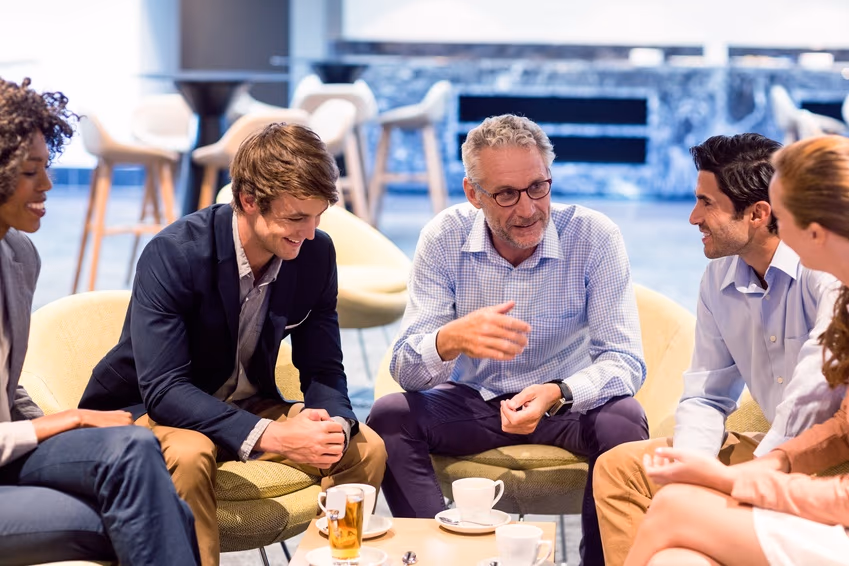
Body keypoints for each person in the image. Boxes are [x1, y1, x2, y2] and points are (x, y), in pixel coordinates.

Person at [79, 122, 387, 566]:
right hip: (150, 409)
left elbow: (323, 366)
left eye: (318, 217)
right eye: (296, 218)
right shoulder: (175, 253)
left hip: (247, 403)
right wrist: (275, 435)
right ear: (248, 201)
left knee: (364, 448)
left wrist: (334, 423)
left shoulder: (315, 253)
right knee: (189, 453)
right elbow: (165, 390)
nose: (309, 232)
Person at [367, 113, 649, 566]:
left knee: (625, 419)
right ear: (473, 194)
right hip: (470, 401)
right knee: (389, 415)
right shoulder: (444, 237)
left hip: (562, 406)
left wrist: (560, 392)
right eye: (505, 194)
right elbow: (405, 370)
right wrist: (448, 340)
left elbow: (625, 360)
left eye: (538, 187)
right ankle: (444, 559)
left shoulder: (594, 236)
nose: (528, 208)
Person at [593, 133, 843, 565]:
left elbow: (812, 393)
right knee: (625, 470)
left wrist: (747, 477)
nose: (692, 217)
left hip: (826, 463)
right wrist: (693, 469)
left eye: (706, 203)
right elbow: (707, 393)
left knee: (677, 515)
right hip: (786, 449)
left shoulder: (825, 273)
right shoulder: (719, 279)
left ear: (760, 214)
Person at [0, 77, 199, 565]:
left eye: (46, 168)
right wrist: (68, 420)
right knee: (154, 513)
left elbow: (6, 389)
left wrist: (58, 426)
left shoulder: (18, 255)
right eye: (30, 172)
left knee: (132, 446)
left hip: (9, 451)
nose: (47, 185)